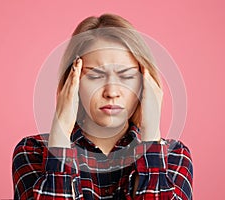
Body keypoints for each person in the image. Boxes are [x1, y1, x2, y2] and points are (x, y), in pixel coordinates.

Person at [12, 13, 193, 200]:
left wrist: (151, 137)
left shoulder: (174, 156)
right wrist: (60, 134)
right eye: (95, 76)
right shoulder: (32, 152)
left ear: (145, 84)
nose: (112, 92)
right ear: (73, 82)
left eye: (126, 76)